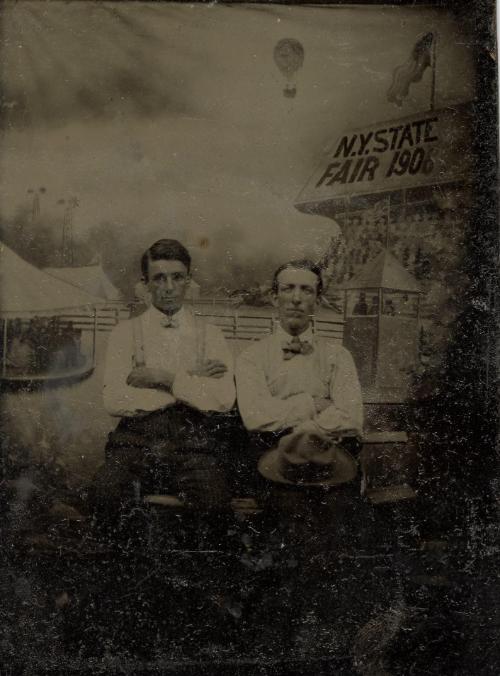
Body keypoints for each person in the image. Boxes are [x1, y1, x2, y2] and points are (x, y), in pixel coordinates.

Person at [92, 239, 236, 517]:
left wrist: (164, 379)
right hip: (135, 443)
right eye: (159, 278)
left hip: (193, 445)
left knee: (216, 502)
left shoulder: (212, 335)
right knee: (104, 494)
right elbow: (113, 400)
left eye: (177, 277)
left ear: (188, 281)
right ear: (145, 283)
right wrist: (193, 382)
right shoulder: (125, 333)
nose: (169, 287)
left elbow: (222, 400)